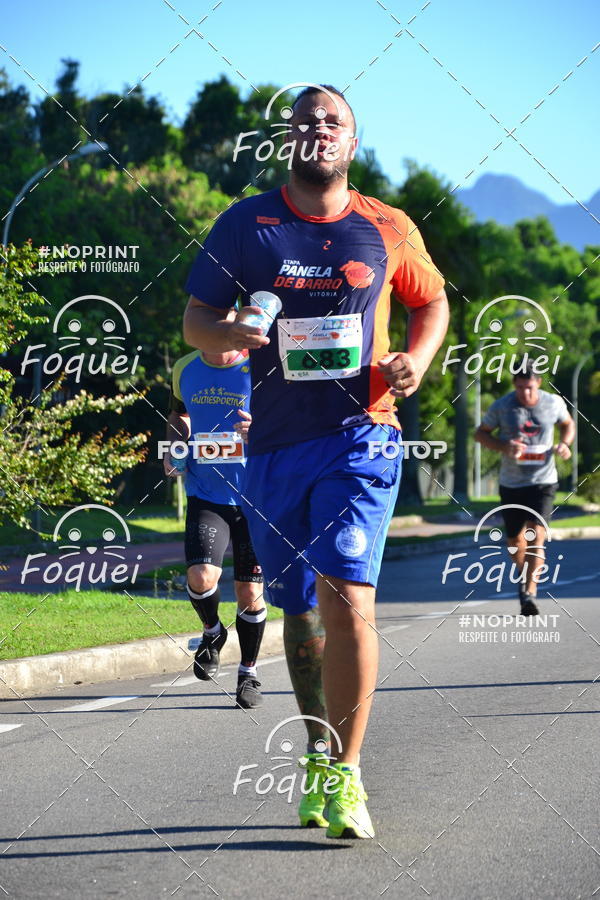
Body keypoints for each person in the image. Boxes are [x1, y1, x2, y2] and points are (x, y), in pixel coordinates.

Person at [182, 84, 448, 839]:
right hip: (272, 447)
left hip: (363, 435)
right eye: (305, 122)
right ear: (289, 140)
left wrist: (416, 362)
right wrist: (227, 332)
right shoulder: (245, 225)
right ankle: (318, 752)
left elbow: (431, 303)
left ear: (352, 144)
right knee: (299, 615)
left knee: (346, 596)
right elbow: (196, 319)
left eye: (334, 121)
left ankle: (349, 773)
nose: (319, 130)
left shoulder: (386, 226)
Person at [164, 348, 266, 709]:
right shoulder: (185, 367)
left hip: (258, 497)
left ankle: (248, 673)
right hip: (206, 492)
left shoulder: (263, 364)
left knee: (249, 593)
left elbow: (295, 417)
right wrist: (174, 447)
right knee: (201, 577)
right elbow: (179, 416)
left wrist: (262, 427)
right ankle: (212, 632)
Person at [475, 362, 575, 616]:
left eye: (529, 388)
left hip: (544, 481)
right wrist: (504, 447)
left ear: (538, 383)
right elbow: (480, 434)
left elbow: (568, 424)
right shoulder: (503, 406)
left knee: (536, 536)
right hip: (512, 482)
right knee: (514, 541)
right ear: (514, 385)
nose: (525, 394)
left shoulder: (553, 402)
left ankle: (529, 592)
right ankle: (524, 574)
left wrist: (564, 444)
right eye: (520, 388)